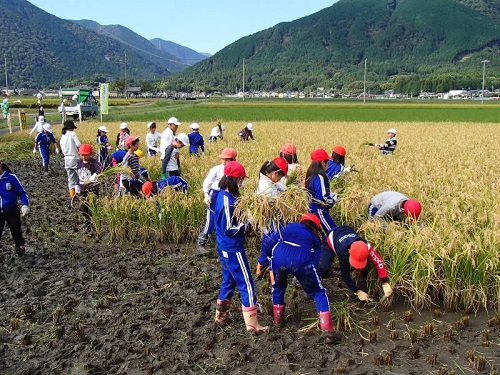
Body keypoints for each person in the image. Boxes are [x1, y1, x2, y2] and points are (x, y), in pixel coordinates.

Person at [255, 213, 342, 343]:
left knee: (278, 288)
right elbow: (316, 258)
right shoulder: (314, 237)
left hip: (279, 257)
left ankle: (278, 322)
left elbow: (269, 242)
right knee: (318, 292)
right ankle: (327, 331)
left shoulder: (287, 227)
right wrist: (307, 273)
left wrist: (264, 260)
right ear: (315, 227)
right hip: (301, 260)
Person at [214, 161, 268, 333]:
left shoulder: (222, 195)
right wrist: (248, 226)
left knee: (229, 281)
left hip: (224, 247)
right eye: (241, 180)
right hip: (232, 248)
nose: (242, 183)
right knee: (246, 282)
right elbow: (229, 228)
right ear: (234, 180)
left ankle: (220, 317)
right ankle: (253, 325)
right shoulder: (227, 201)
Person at [316, 226, 393, 302]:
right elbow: (345, 276)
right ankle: (315, 284)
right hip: (330, 238)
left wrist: (384, 282)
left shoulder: (366, 246)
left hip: (347, 229)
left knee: (365, 267)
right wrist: (357, 291)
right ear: (349, 251)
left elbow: (378, 262)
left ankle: (362, 279)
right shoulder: (342, 251)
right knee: (324, 268)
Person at [197, 148, 238, 254]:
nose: (224, 162)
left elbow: (240, 184)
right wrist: (206, 194)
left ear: (233, 159)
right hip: (214, 195)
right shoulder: (217, 169)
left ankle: (224, 243)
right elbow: (207, 182)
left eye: (227, 159)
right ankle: (201, 244)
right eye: (223, 159)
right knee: (211, 220)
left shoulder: (236, 170)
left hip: (229, 196)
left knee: (226, 219)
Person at [0, 161, 29, 257]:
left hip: (11, 209)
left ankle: (20, 249)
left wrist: (24, 205)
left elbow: (22, 192)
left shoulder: (11, 178)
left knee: (16, 230)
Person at [305, 149, 338, 233]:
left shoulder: (310, 174)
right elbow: (323, 199)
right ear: (323, 162)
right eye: (328, 162)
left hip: (310, 210)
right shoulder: (321, 177)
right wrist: (333, 200)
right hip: (319, 211)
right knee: (333, 232)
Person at [75, 144, 102, 232]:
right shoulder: (79, 163)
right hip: (83, 190)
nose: (83, 157)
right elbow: (78, 176)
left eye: (86, 155)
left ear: (90, 154)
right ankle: (87, 223)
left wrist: (95, 175)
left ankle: (93, 225)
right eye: (82, 155)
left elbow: (100, 168)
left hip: (92, 191)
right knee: (83, 209)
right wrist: (76, 185)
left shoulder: (94, 163)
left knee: (92, 210)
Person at [60, 120, 81, 197]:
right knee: (80, 176)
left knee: (71, 178)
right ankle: (80, 193)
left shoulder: (63, 136)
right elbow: (79, 144)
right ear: (71, 128)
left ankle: (72, 195)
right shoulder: (73, 134)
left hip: (66, 159)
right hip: (75, 158)